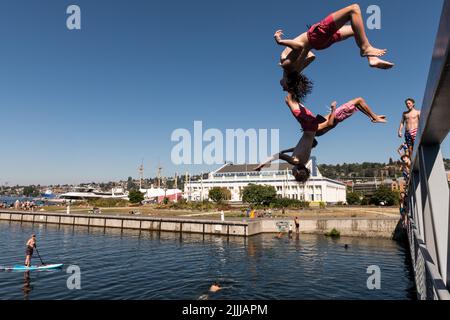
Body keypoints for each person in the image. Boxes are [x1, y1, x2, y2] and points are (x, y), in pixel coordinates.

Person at [254, 92, 387, 182]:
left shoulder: (302, 160)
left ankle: (373, 117)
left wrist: (285, 151)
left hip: (313, 127)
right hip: (315, 125)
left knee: (290, 100)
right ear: (297, 172)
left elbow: (302, 147)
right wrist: (263, 164)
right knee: (359, 100)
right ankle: (374, 117)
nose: (291, 172)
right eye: (293, 173)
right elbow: (277, 156)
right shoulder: (295, 161)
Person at [276, 4, 394, 95]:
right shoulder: (286, 65)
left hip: (320, 43)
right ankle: (365, 49)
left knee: (356, 30)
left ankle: (371, 58)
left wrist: (303, 53)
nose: (282, 88)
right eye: (285, 88)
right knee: (354, 9)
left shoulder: (296, 70)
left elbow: (311, 56)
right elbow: (299, 47)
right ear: (288, 81)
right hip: (315, 36)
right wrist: (280, 41)